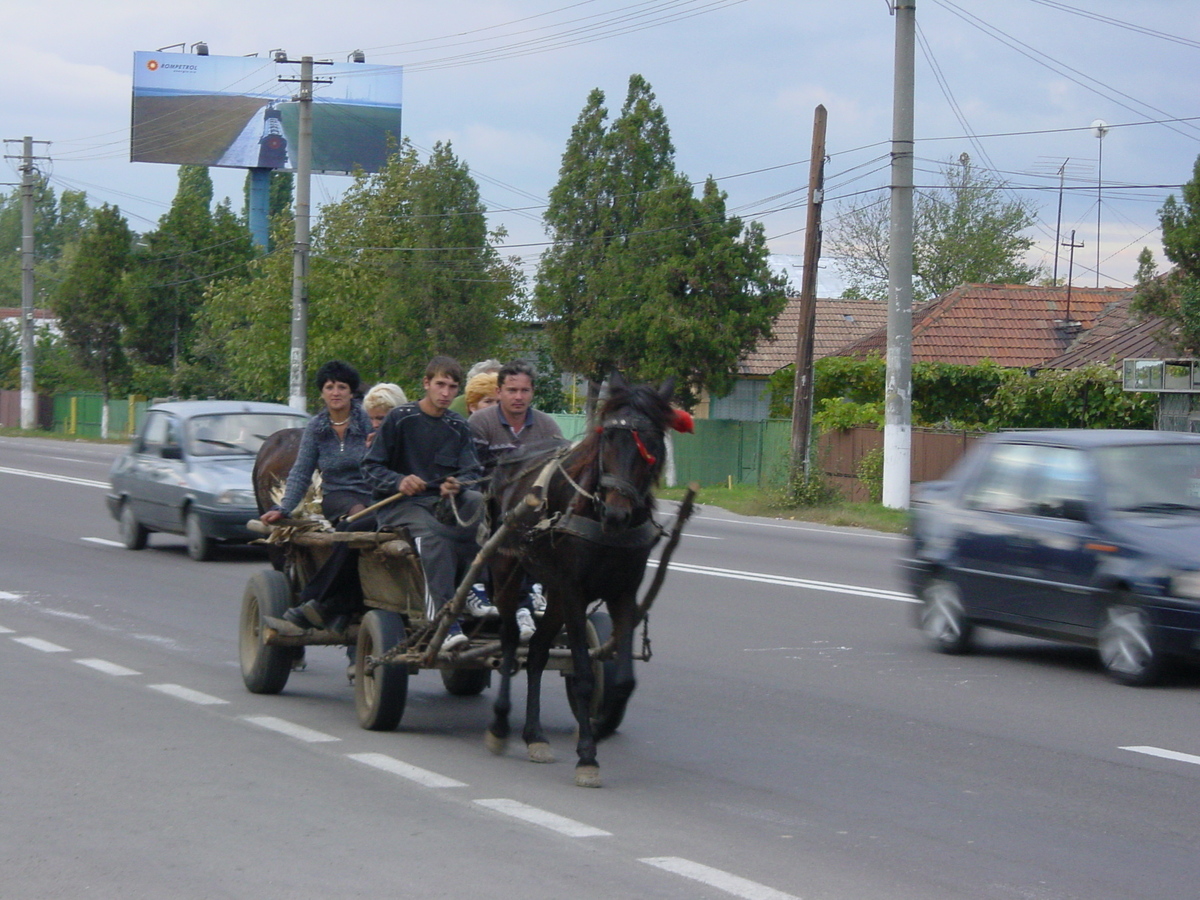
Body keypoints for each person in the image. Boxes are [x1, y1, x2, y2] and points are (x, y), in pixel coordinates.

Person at [362, 356, 484, 651]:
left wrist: (457, 484)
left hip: (441, 504)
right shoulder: (400, 418)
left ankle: (474, 588)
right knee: (435, 539)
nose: (445, 393)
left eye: (452, 387)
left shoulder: (458, 425)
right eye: (440, 384)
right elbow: (370, 467)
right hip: (399, 506)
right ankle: (443, 620)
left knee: (478, 502)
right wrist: (398, 482)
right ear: (426, 383)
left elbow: (472, 472)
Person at [468, 359, 565, 639]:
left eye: (524, 390)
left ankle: (543, 589)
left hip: (536, 506)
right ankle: (522, 597)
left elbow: (558, 472)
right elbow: (472, 472)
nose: (518, 397)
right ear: (499, 392)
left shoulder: (547, 426)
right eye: (512, 390)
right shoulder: (480, 423)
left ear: (533, 392)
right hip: (490, 502)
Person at [262, 360, 372, 526]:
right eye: (329, 388)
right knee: (359, 516)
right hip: (337, 496)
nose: (336, 393)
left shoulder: (368, 422)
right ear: (322, 393)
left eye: (342, 387)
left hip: (372, 494)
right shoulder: (315, 428)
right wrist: (284, 508)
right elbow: (301, 472)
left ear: (351, 393)